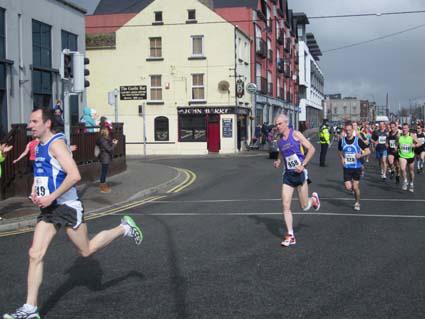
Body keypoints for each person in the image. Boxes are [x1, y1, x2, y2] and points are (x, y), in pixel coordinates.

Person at [3, 108, 143, 319]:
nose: (29, 125)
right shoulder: (38, 145)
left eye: (34, 121)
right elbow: (42, 172)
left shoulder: (56, 145)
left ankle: (124, 228)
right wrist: (35, 190)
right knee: (35, 254)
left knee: (85, 251)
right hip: (49, 209)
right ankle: (30, 309)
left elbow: (75, 175)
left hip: (67, 207)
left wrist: (51, 197)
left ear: (47, 123)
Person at [273, 114, 320, 247]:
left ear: (286, 123)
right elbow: (281, 152)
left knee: (304, 206)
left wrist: (303, 164)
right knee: (285, 205)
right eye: (276, 124)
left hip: (300, 173)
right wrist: (278, 160)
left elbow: (311, 149)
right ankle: (290, 235)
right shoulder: (279, 140)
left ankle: (314, 200)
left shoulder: (296, 134)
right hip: (287, 175)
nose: (277, 126)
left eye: (279, 124)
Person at [338, 122, 370, 211]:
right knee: (348, 187)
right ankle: (354, 190)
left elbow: (368, 151)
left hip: (357, 167)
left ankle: (357, 202)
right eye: (346, 130)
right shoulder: (342, 140)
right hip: (347, 167)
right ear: (345, 130)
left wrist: (361, 155)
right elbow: (339, 151)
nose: (348, 132)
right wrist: (342, 158)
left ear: (353, 130)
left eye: (349, 130)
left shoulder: (358, 140)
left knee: (355, 187)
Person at [398, 123, 422, 192]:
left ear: (408, 129)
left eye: (405, 128)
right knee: (402, 169)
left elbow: (419, 143)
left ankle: (411, 183)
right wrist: (396, 147)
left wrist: (415, 145)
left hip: (410, 156)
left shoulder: (412, 135)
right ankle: (405, 181)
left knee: (411, 172)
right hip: (402, 155)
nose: (404, 129)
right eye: (403, 128)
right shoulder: (399, 136)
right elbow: (397, 143)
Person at [96, 126, 118, 193]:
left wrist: (113, 142)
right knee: (104, 172)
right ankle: (103, 187)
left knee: (104, 172)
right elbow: (109, 149)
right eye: (107, 130)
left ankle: (103, 185)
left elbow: (109, 145)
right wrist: (114, 144)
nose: (108, 131)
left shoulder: (105, 138)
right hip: (104, 157)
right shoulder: (102, 139)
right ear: (105, 131)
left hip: (106, 157)